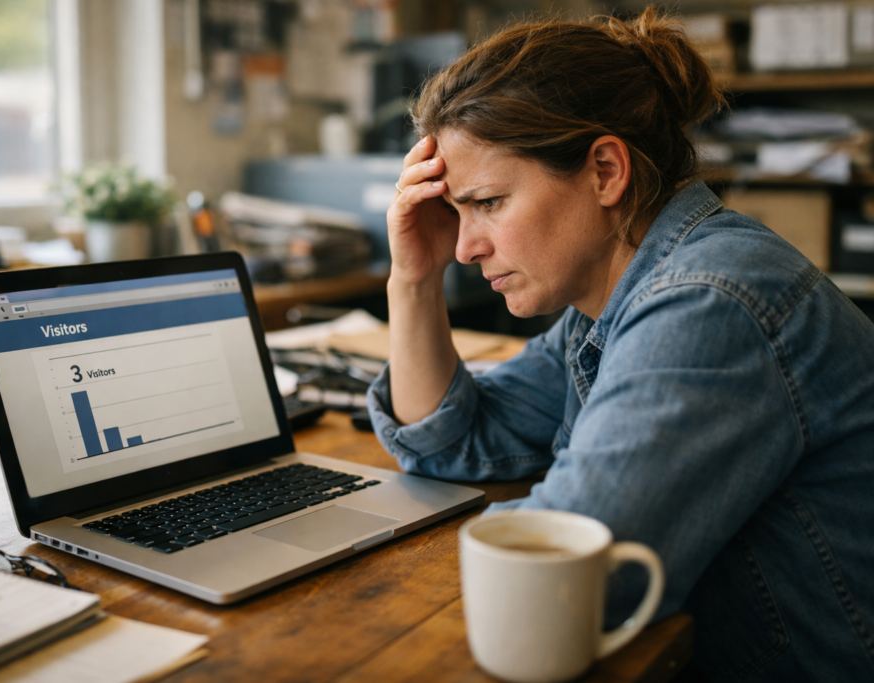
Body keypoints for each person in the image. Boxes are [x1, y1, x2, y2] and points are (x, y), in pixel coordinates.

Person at [366, 8, 874, 682]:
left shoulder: (707, 303)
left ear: (606, 171)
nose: (464, 247)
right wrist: (412, 279)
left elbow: (563, 578)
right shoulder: (610, 301)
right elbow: (454, 442)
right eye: (454, 210)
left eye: (487, 202)